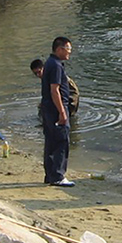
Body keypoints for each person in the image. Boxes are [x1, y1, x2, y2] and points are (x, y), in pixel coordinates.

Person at [40, 37, 75, 187]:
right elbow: (55, 90)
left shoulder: (50, 63)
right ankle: (58, 176)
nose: (69, 53)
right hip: (55, 108)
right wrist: (62, 112)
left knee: (50, 142)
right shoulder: (55, 66)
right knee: (61, 142)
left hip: (48, 108)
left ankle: (50, 175)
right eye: (68, 50)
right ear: (59, 49)